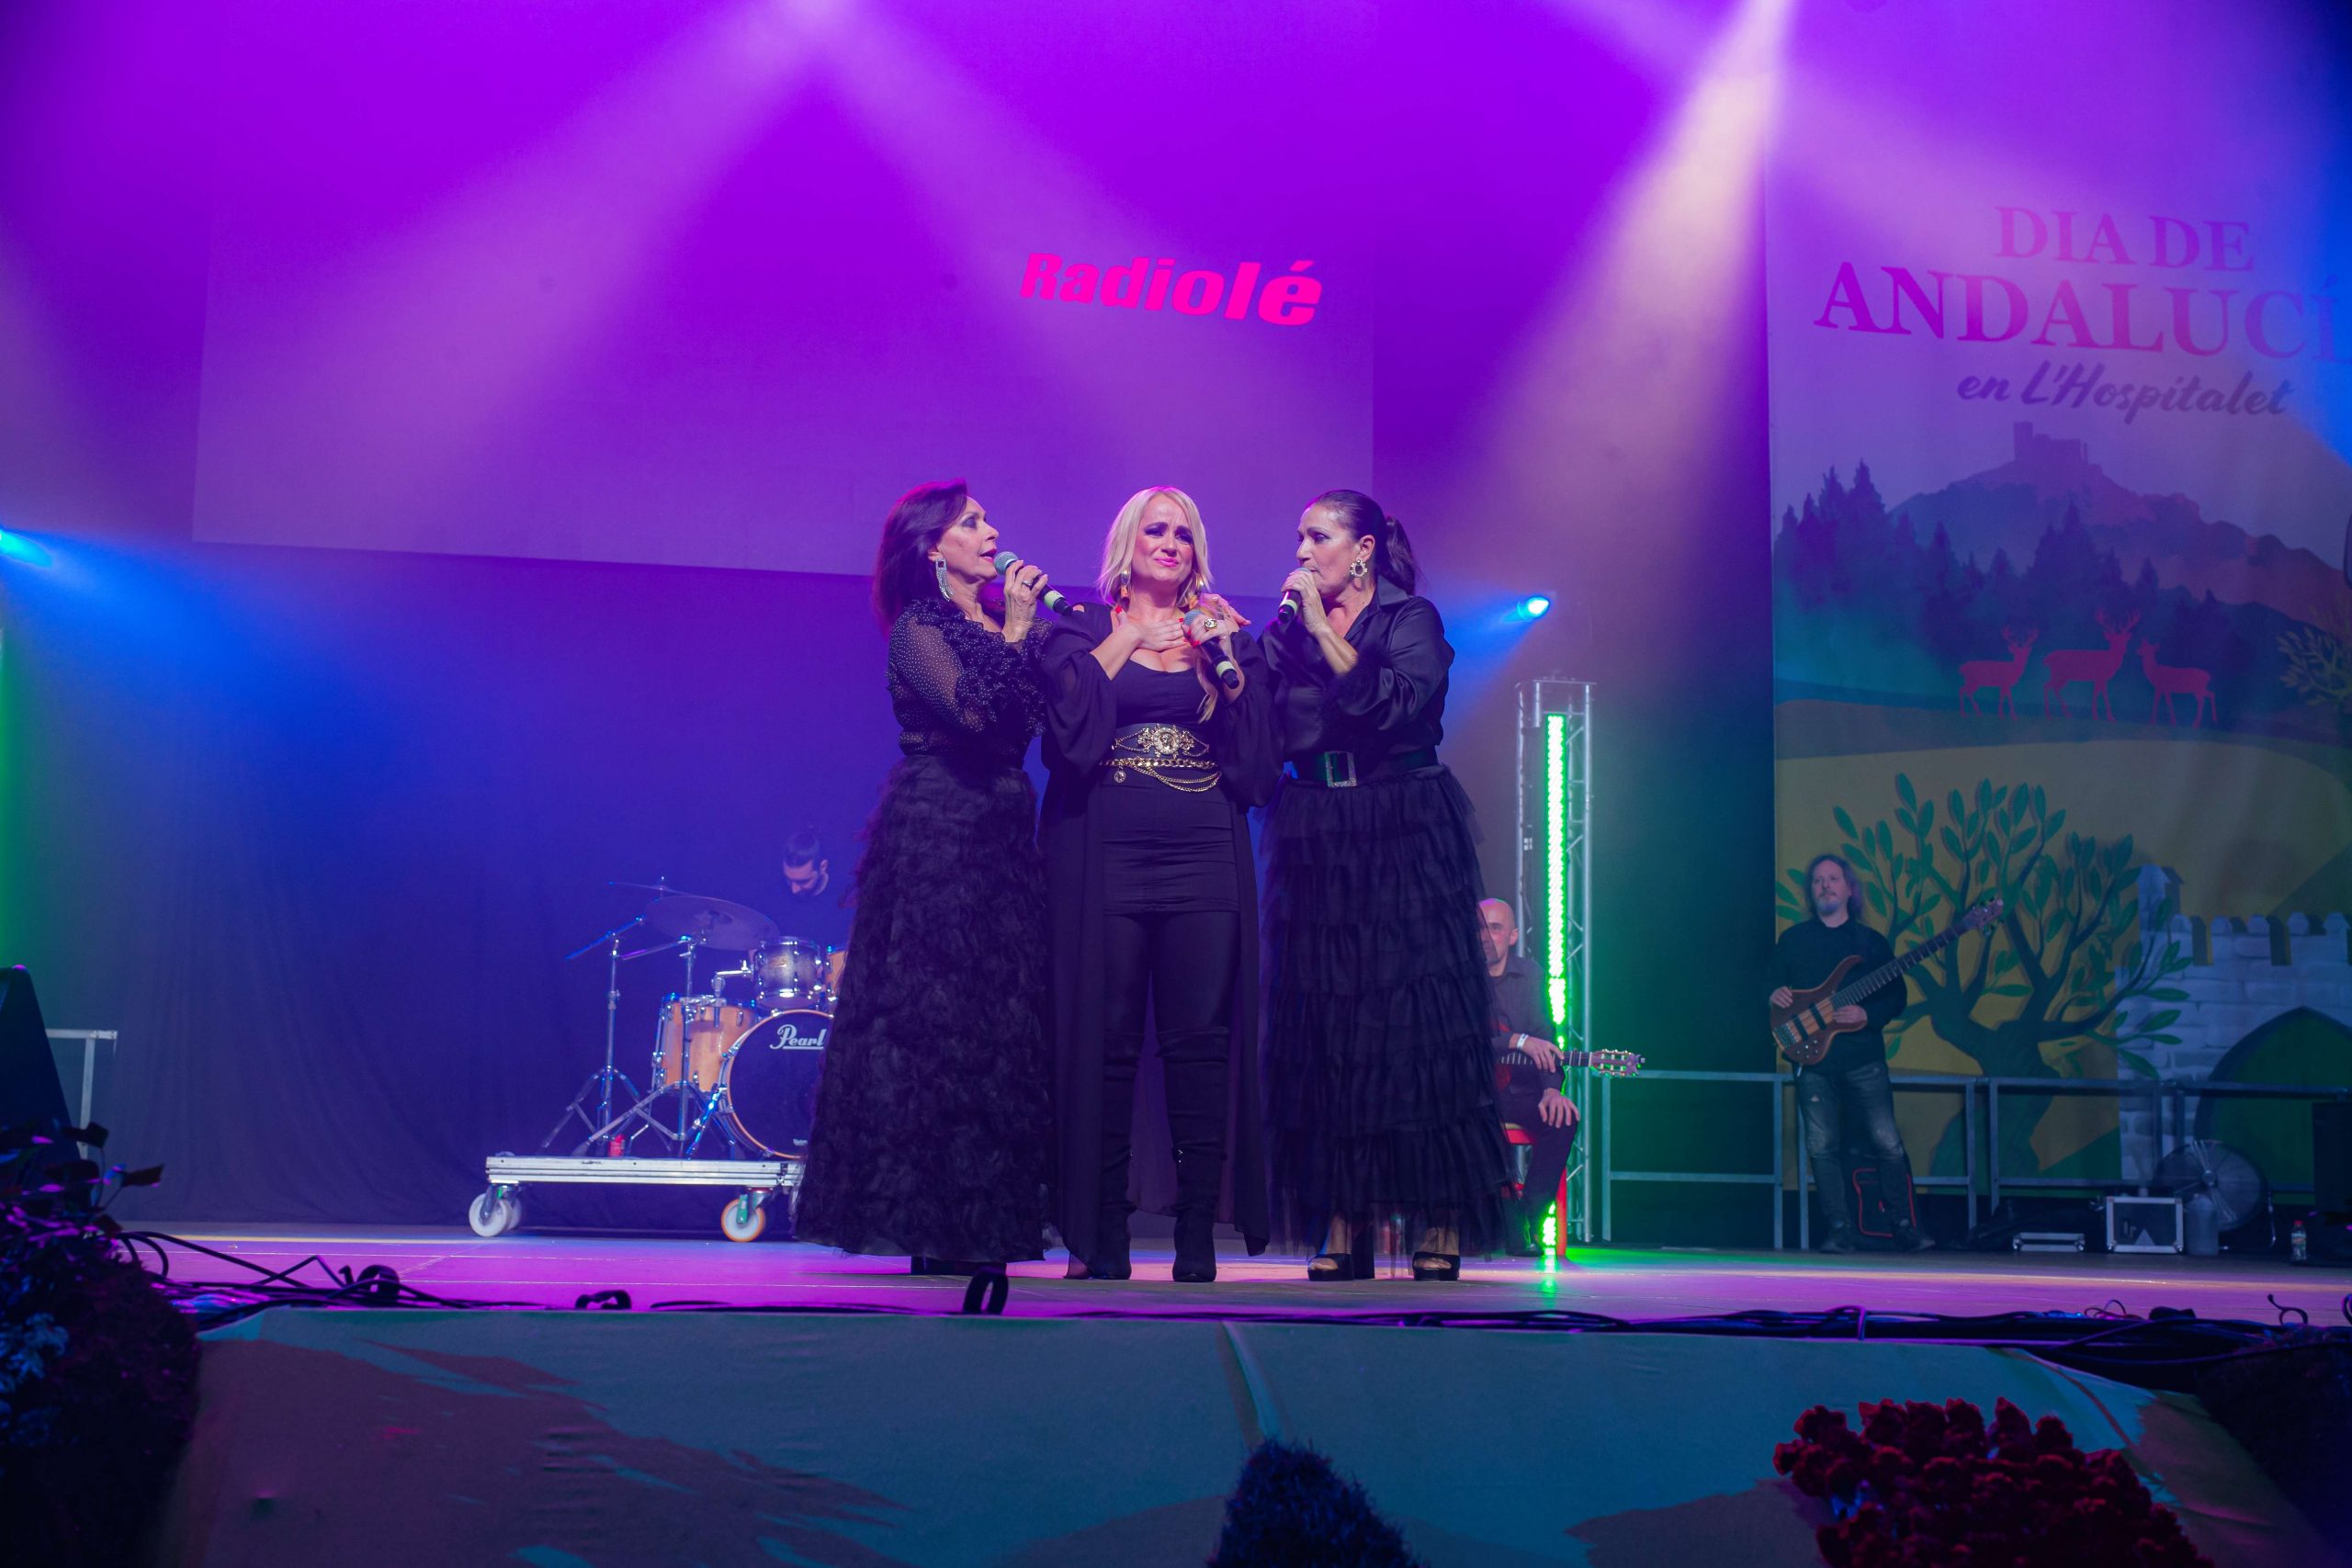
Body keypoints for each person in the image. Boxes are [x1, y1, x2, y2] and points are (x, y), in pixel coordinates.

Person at [793, 481, 1057, 1273]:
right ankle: (931, 1219)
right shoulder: (920, 627)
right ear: (934, 547)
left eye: (987, 518)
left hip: (1006, 830)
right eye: (972, 522)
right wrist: (1017, 633)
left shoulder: (1001, 623)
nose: (992, 530)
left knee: (998, 1021)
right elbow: (973, 714)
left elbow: (1028, 722)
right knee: (937, 1021)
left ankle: (986, 1217)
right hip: (941, 827)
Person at [1261, 488, 1512, 1281]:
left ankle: (1439, 1213)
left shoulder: (1410, 619)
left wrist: (1322, 634)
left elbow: (1394, 704)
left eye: (1318, 537)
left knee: (1416, 1023)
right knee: (1332, 1028)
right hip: (1319, 827)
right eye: (1300, 538)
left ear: (1363, 549)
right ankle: (1345, 1215)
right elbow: (1269, 722)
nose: (1303, 552)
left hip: (1401, 822)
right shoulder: (1288, 632)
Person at [1039, 487, 1278, 1283]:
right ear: (1128, 543)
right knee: (1107, 1042)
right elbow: (1066, 739)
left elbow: (1258, 768)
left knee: (1199, 1043)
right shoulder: (1083, 626)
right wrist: (1132, 635)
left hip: (1203, 851)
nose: (1170, 542)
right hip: (1107, 853)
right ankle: (1102, 1231)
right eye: (1156, 529)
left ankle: (1196, 1232)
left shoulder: (1222, 633)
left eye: (1184, 533)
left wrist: (1227, 668)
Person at [1769, 853, 1933, 1253]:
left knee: (1887, 1143)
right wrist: (1771, 993)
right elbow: (1768, 984)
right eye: (1818, 880)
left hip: (1863, 1057)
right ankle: (1840, 1229)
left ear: (1848, 889)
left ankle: (1904, 1225)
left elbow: (1896, 997)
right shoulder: (1793, 940)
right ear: (1811, 891)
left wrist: (1867, 1014)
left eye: (1833, 878)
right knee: (1821, 1147)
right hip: (1812, 1060)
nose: (1825, 885)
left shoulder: (1870, 943)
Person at [1479, 897, 1578, 1257]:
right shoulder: (1459, 979)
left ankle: (1528, 1219)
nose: (1485, 936)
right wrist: (1515, 1041)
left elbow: (1544, 1037)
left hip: (1519, 1089)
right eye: (1479, 928)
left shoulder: (1530, 976)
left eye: (1495, 928)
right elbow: (1461, 1041)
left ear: (1512, 936)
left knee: (1563, 1119)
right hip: (1474, 1094)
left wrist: (1552, 1090)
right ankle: (1492, 1220)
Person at [778, 828, 853, 991]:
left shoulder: (847, 897)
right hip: (790, 992)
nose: (794, 889)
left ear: (823, 866)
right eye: (789, 880)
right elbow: (756, 936)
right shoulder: (777, 894)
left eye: (803, 882)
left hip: (837, 991)